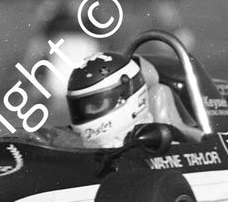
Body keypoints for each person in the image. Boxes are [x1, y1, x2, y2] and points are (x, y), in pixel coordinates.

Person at [64, 51, 197, 149]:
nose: (87, 111)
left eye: (96, 104)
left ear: (125, 94)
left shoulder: (160, 141)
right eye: (80, 107)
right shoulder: (71, 141)